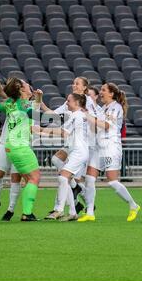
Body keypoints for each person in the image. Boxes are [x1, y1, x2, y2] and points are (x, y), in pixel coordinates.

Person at [78, 82, 140, 222]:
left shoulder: (115, 107)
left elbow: (105, 126)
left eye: (104, 90)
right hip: (98, 147)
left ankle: (133, 205)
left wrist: (87, 115)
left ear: (111, 93)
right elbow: (95, 125)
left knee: (112, 181)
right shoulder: (103, 108)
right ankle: (89, 213)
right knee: (89, 179)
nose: (101, 92)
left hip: (110, 147)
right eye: (101, 90)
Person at [41, 77, 101, 216]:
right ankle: (75, 195)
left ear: (85, 87)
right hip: (73, 141)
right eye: (73, 83)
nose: (74, 85)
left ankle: (70, 207)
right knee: (58, 163)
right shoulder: (71, 101)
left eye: (77, 83)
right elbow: (55, 115)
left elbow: (93, 120)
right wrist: (41, 103)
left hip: (86, 144)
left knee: (66, 177)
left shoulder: (86, 101)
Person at [0, 77, 42, 221]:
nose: (29, 86)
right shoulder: (23, 104)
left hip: (11, 145)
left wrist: (39, 98)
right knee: (33, 178)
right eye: (26, 85)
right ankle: (26, 212)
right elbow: (34, 114)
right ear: (21, 90)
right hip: (20, 146)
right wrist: (58, 119)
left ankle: (16, 210)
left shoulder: (11, 103)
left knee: (26, 178)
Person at [34, 93, 88, 221]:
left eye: (69, 101)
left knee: (63, 178)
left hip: (78, 152)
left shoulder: (76, 116)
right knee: (65, 179)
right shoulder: (78, 115)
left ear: (77, 103)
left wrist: (40, 130)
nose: (66, 102)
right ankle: (73, 211)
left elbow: (63, 132)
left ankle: (59, 210)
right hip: (76, 150)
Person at [0, 74, 22, 221]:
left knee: (16, 177)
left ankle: (10, 209)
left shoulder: (27, 104)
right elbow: (2, 98)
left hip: (21, 145)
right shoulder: (10, 102)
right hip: (5, 142)